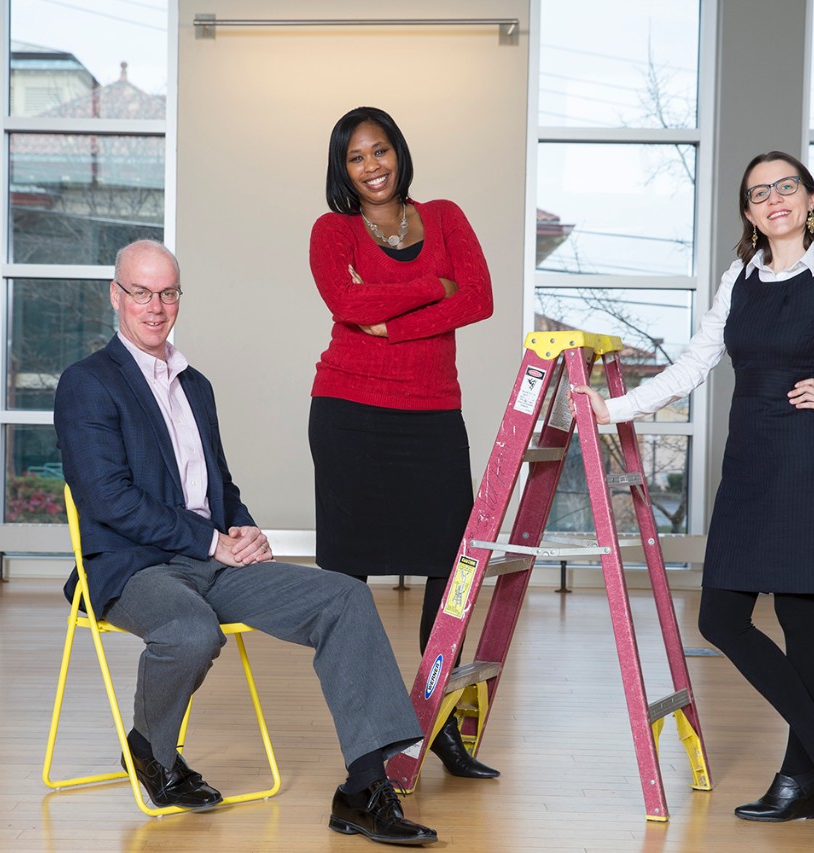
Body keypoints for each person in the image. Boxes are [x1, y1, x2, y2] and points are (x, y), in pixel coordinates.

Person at [572, 151, 814, 836]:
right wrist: (613, 410)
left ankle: (802, 777)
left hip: (803, 460)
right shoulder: (739, 275)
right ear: (747, 211)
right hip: (747, 464)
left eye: (785, 187)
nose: (773, 199)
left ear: (808, 197)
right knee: (721, 618)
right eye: (758, 192)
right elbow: (693, 363)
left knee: (801, 620)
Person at [54, 239, 437, 846]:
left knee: (344, 599)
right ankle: (152, 752)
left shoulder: (195, 385)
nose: (155, 307)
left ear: (179, 297)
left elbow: (217, 483)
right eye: (141, 293)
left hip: (213, 557)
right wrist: (210, 542)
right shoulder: (87, 384)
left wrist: (242, 526)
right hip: (132, 567)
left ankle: (364, 789)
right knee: (188, 632)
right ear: (116, 296)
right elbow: (109, 499)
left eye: (167, 293)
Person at [307, 106, 497, 779]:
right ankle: (369, 738)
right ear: (344, 169)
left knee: (453, 569)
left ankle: (435, 724)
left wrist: (394, 320)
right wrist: (429, 287)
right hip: (348, 413)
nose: (372, 166)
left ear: (398, 152)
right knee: (347, 581)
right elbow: (347, 307)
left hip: (432, 412)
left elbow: (479, 299)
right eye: (357, 157)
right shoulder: (332, 230)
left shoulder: (444, 216)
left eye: (380, 150)